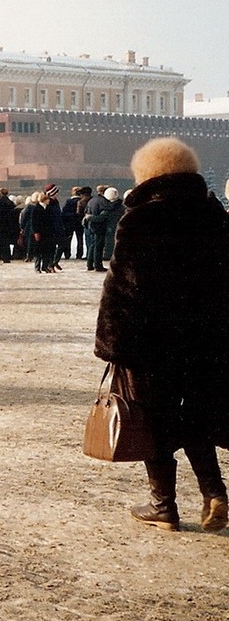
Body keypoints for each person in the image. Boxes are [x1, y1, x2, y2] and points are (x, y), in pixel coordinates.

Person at [95, 137, 229, 532]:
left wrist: (111, 344)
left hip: (151, 343)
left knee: (152, 418)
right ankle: (214, 491)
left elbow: (121, 289)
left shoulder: (140, 220)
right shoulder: (214, 215)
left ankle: (163, 506)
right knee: (196, 416)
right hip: (207, 340)